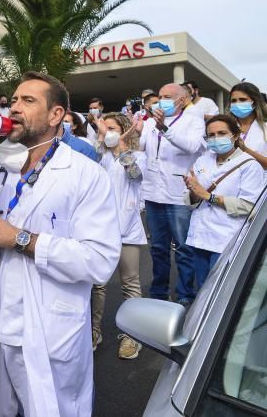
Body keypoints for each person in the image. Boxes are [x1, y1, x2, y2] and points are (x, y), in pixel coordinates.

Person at [0, 71, 121, 416]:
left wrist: (20, 238)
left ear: (56, 116)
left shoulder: (85, 174)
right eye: (15, 100)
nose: (15, 108)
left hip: (50, 331)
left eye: (28, 100)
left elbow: (98, 261)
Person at [136, 83, 206, 306]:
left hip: (177, 194)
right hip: (154, 193)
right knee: (157, 248)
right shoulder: (150, 123)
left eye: (167, 97)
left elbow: (193, 146)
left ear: (183, 100)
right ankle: (159, 291)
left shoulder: (193, 120)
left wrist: (165, 127)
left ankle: (185, 292)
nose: (161, 101)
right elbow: (141, 149)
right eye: (160, 96)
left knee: (184, 248)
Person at [90, 113, 148, 359]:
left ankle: (132, 337)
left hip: (127, 231)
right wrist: (101, 140)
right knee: (97, 285)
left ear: (124, 131)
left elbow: (136, 176)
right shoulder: (99, 158)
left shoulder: (138, 157)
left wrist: (122, 149)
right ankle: (93, 331)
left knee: (130, 283)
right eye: (105, 128)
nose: (109, 132)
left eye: (113, 128)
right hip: (100, 231)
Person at [184, 115, 264, 288]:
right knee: (202, 290)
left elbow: (250, 206)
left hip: (226, 238)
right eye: (211, 135)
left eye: (222, 133)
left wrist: (208, 196)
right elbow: (190, 198)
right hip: (200, 235)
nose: (216, 138)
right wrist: (193, 191)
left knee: (219, 290)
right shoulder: (202, 160)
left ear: (235, 136)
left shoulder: (249, 165)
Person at [230, 82, 267, 169]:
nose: (237, 104)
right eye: (233, 101)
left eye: (242, 100)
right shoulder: (225, 127)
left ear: (255, 103)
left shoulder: (265, 128)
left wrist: (245, 150)